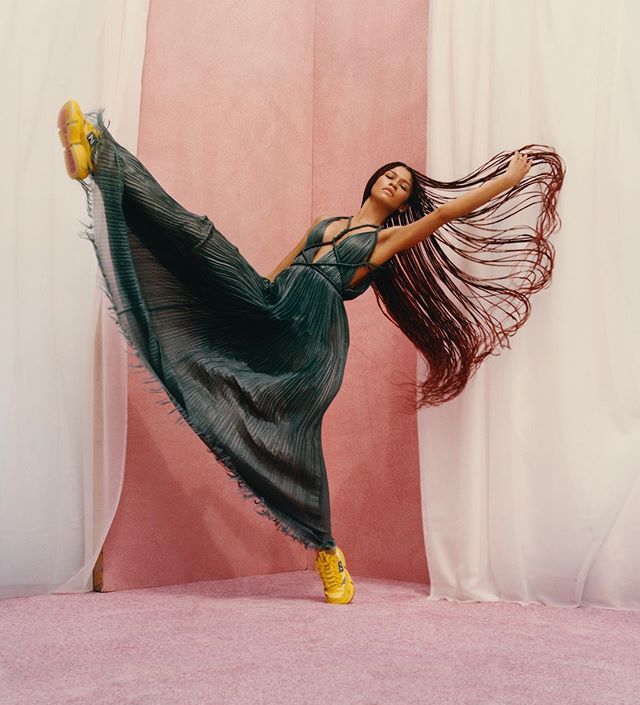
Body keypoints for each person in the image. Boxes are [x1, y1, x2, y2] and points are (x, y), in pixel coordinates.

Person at [57, 100, 564, 605]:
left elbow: (451, 211)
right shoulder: (326, 224)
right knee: (195, 236)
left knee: (297, 443)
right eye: (388, 175)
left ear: (406, 202)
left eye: (403, 184)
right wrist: (244, 303)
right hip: (271, 305)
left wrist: (507, 180)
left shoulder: (383, 241)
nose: (393, 182)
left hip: (311, 344)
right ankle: (101, 157)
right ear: (371, 183)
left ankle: (326, 550)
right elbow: (278, 272)